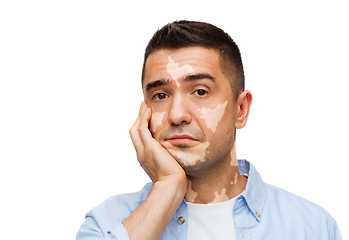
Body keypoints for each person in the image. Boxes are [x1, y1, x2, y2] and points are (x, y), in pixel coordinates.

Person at [76, 20, 342, 240]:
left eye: (200, 91)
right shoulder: (106, 223)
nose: (177, 114)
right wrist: (168, 187)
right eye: (160, 95)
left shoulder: (313, 227)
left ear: (241, 109)